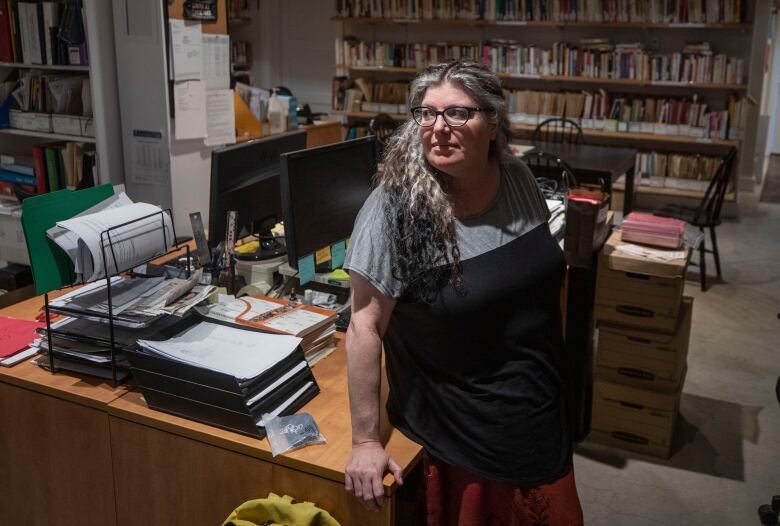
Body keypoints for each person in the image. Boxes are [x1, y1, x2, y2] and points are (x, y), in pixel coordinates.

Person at [342, 60, 583, 525]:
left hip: (541, 413)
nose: (438, 128)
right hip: (466, 430)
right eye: (427, 114)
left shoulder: (516, 176)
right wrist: (366, 443)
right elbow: (364, 326)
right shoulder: (395, 207)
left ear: (493, 123)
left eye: (457, 113)